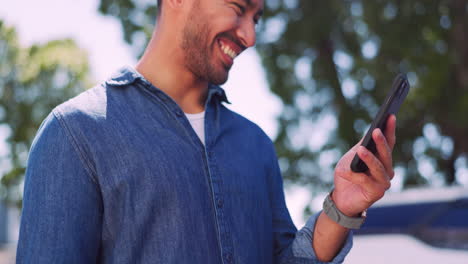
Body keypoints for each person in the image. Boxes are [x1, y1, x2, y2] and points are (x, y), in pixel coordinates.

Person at [16, 0, 396, 263]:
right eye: (238, 8)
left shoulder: (255, 147)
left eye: (257, 18)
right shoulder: (74, 135)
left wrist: (341, 209)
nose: (249, 36)